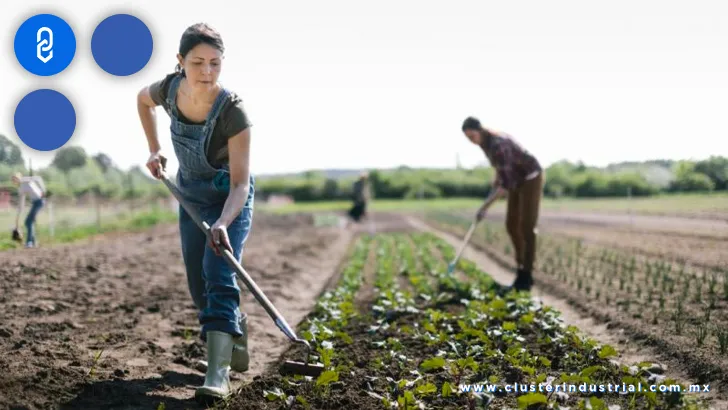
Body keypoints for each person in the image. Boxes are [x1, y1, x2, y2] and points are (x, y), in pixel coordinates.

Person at [136, 22, 255, 403]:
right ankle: (234, 324)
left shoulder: (233, 113)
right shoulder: (169, 90)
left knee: (218, 271)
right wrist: (155, 148)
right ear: (180, 62)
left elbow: (240, 185)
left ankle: (217, 374)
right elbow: (142, 100)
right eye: (198, 62)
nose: (207, 72)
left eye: (215, 64)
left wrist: (222, 222)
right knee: (198, 284)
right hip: (190, 196)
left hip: (228, 202)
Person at [461, 116, 543, 291]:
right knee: (512, 225)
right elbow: (501, 170)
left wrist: (484, 207)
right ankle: (520, 266)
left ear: (480, 130)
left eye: (472, 136)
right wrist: (495, 181)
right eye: (468, 138)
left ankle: (526, 276)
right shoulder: (485, 144)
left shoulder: (498, 143)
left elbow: (504, 187)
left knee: (527, 226)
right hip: (515, 180)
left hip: (530, 177)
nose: (471, 141)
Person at [11, 172, 47, 249]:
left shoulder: (25, 180)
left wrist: (43, 190)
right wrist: (18, 217)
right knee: (29, 222)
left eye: (15, 178)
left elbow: (38, 178)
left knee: (28, 222)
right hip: (35, 202)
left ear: (19, 178)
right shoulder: (20, 188)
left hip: (39, 201)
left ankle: (29, 242)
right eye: (13, 180)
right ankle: (33, 242)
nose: (14, 181)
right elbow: (21, 203)